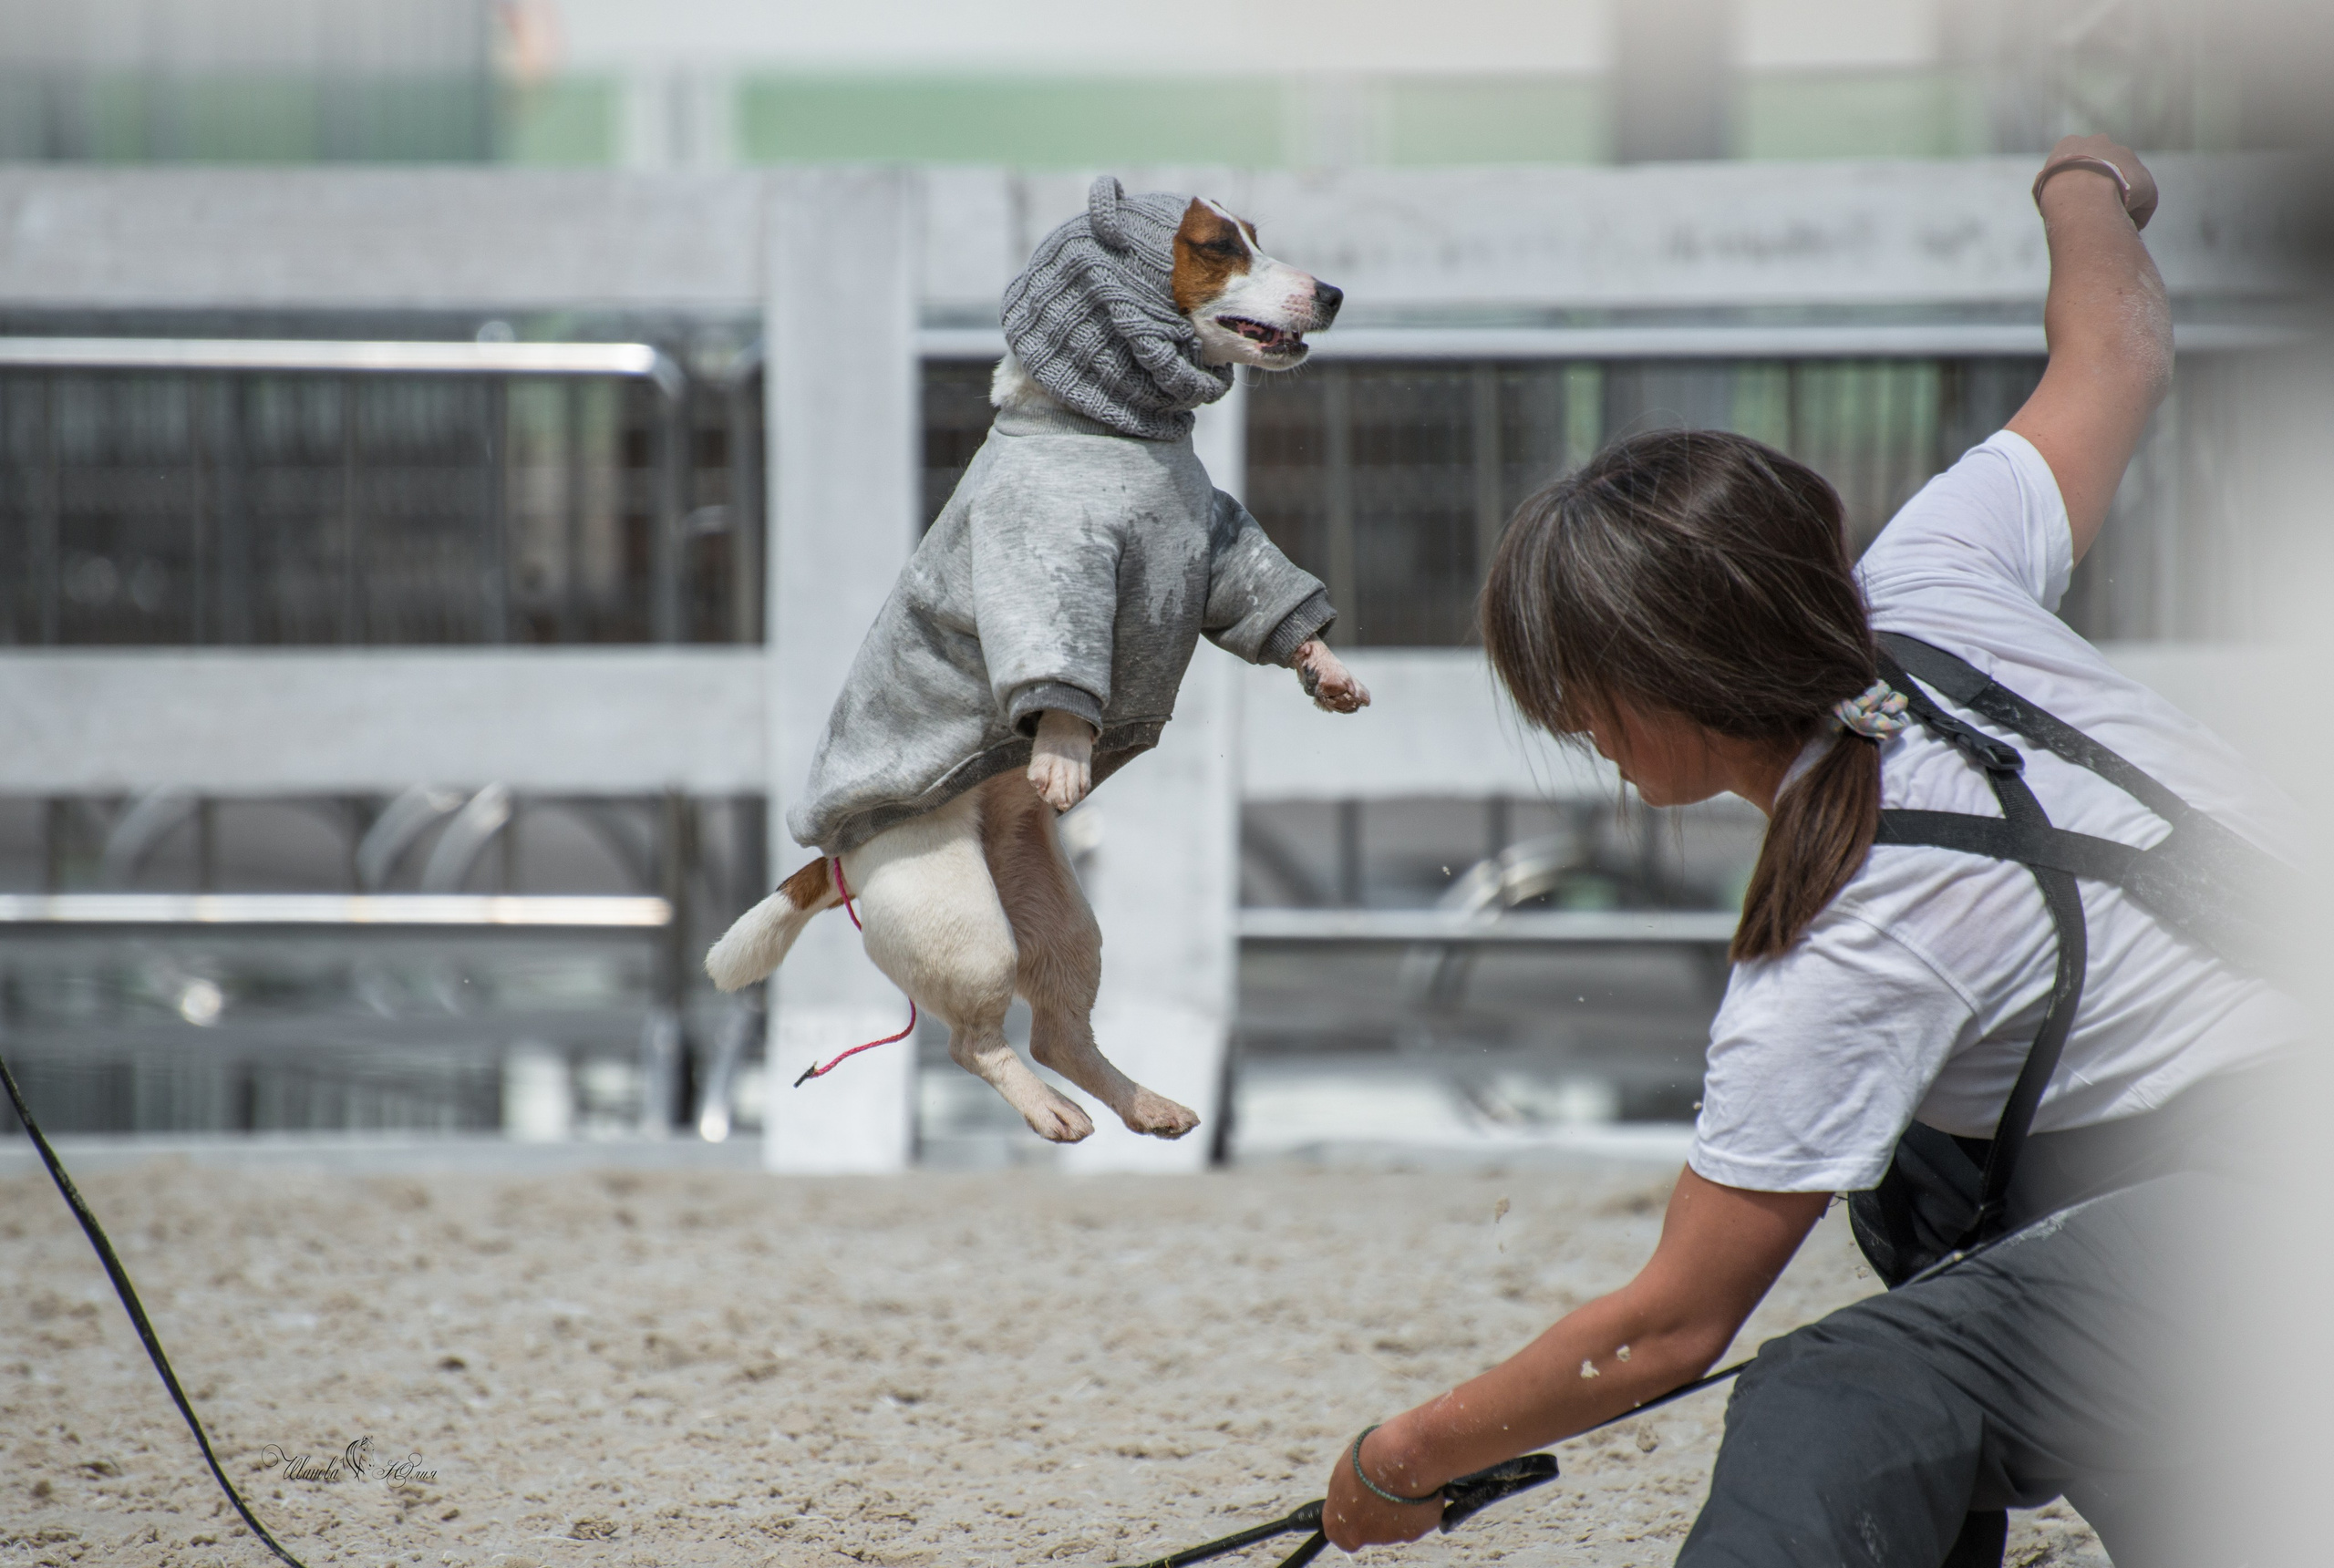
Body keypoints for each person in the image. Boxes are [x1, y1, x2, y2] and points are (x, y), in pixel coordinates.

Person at [1321, 136, 2307, 1565]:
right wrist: (2083, 179)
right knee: (1938, 1218)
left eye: (1576, 694)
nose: (1577, 731)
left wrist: (1400, 1460)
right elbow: (2119, 349)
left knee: (1847, 1390)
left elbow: (1670, 1328)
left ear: (1663, 680)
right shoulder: (1934, 574)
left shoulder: (1854, 933)